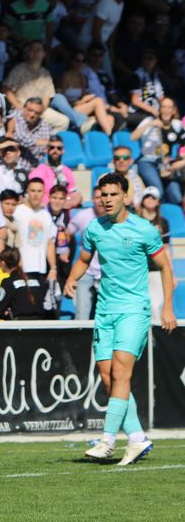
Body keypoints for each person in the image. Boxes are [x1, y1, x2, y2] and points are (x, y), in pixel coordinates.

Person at [63, 173, 175, 466]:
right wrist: (71, 280)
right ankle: (137, 438)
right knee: (108, 376)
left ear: (126, 197)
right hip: (105, 310)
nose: (107, 200)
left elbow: (165, 268)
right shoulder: (95, 229)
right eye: (103, 195)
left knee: (122, 373)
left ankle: (107, 440)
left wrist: (167, 308)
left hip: (133, 310)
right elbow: (85, 260)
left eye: (113, 194)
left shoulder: (145, 230)